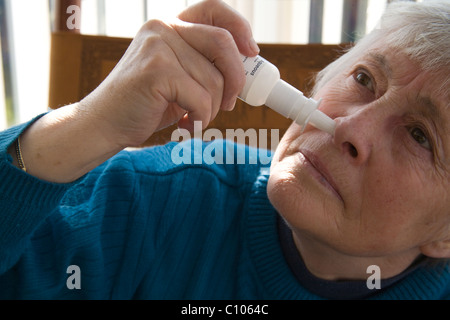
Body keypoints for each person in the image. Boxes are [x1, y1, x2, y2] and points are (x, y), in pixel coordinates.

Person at [0, 0, 448, 300]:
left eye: (420, 136)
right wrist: (86, 126)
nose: (349, 128)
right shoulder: (154, 199)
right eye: (365, 79)